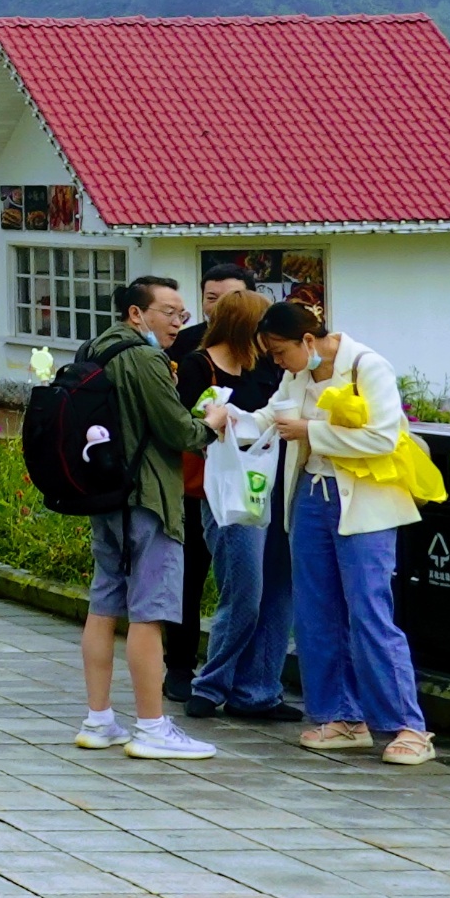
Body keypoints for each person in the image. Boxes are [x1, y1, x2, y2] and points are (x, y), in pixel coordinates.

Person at [258, 299, 433, 764]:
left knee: (368, 610)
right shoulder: (297, 374)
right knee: (315, 611)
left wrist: (311, 431)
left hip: (365, 500)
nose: (278, 362)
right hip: (311, 495)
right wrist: (224, 420)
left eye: (280, 352)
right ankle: (341, 716)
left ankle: (408, 726)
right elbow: (272, 415)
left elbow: (382, 436)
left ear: (308, 340)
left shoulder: (367, 365)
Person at [76, 277, 219, 759]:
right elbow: (178, 431)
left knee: (103, 605)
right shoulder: (143, 356)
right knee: (150, 612)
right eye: (168, 312)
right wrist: (211, 424)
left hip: (106, 495)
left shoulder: (95, 349)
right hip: (150, 498)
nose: (178, 322)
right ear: (136, 314)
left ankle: (98, 721)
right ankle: (153, 728)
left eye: (182, 314)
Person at [176, 287, 297, 722]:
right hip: (227, 491)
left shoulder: (270, 367)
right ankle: (210, 685)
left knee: (278, 591)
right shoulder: (198, 366)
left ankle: (258, 691)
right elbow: (188, 425)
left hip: (274, 486)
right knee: (245, 590)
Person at [168, 261, 256, 627]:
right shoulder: (186, 346)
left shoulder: (265, 351)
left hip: (251, 482)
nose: (219, 306)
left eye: (231, 297)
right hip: (197, 480)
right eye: (211, 297)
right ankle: (180, 657)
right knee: (188, 574)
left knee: (245, 583)